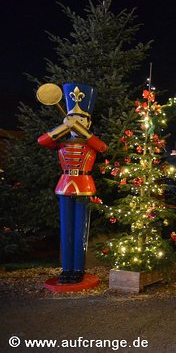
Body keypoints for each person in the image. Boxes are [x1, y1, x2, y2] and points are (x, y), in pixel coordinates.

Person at [38, 83, 108, 284]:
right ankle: (66, 269)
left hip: (85, 184)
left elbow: (101, 147)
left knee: (80, 230)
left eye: (81, 119)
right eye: (73, 118)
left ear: (88, 122)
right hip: (65, 184)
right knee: (66, 230)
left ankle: (78, 269)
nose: (76, 122)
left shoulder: (90, 141)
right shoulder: (61, 141)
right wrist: (64, 126)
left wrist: (77, 127)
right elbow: (43, 141)